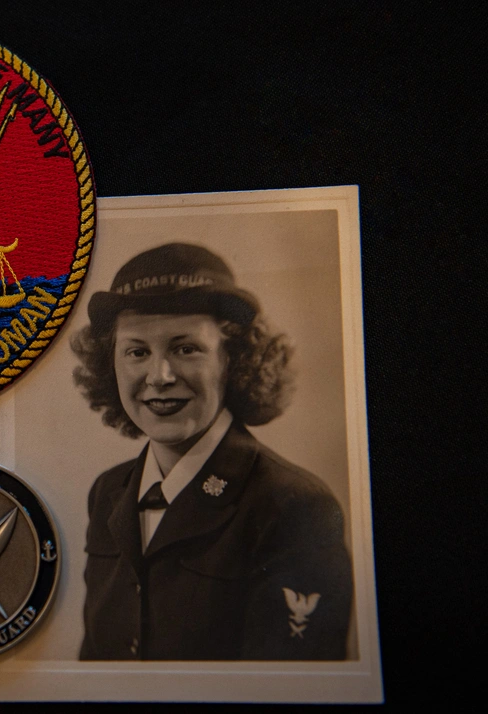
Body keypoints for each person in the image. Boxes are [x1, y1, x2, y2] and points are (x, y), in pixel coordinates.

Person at [73, 243, 352, 661]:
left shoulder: (292, 505)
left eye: (186, 349)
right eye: (137, 351)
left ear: (234, 360)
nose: (159, 376)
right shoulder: (110, 491)